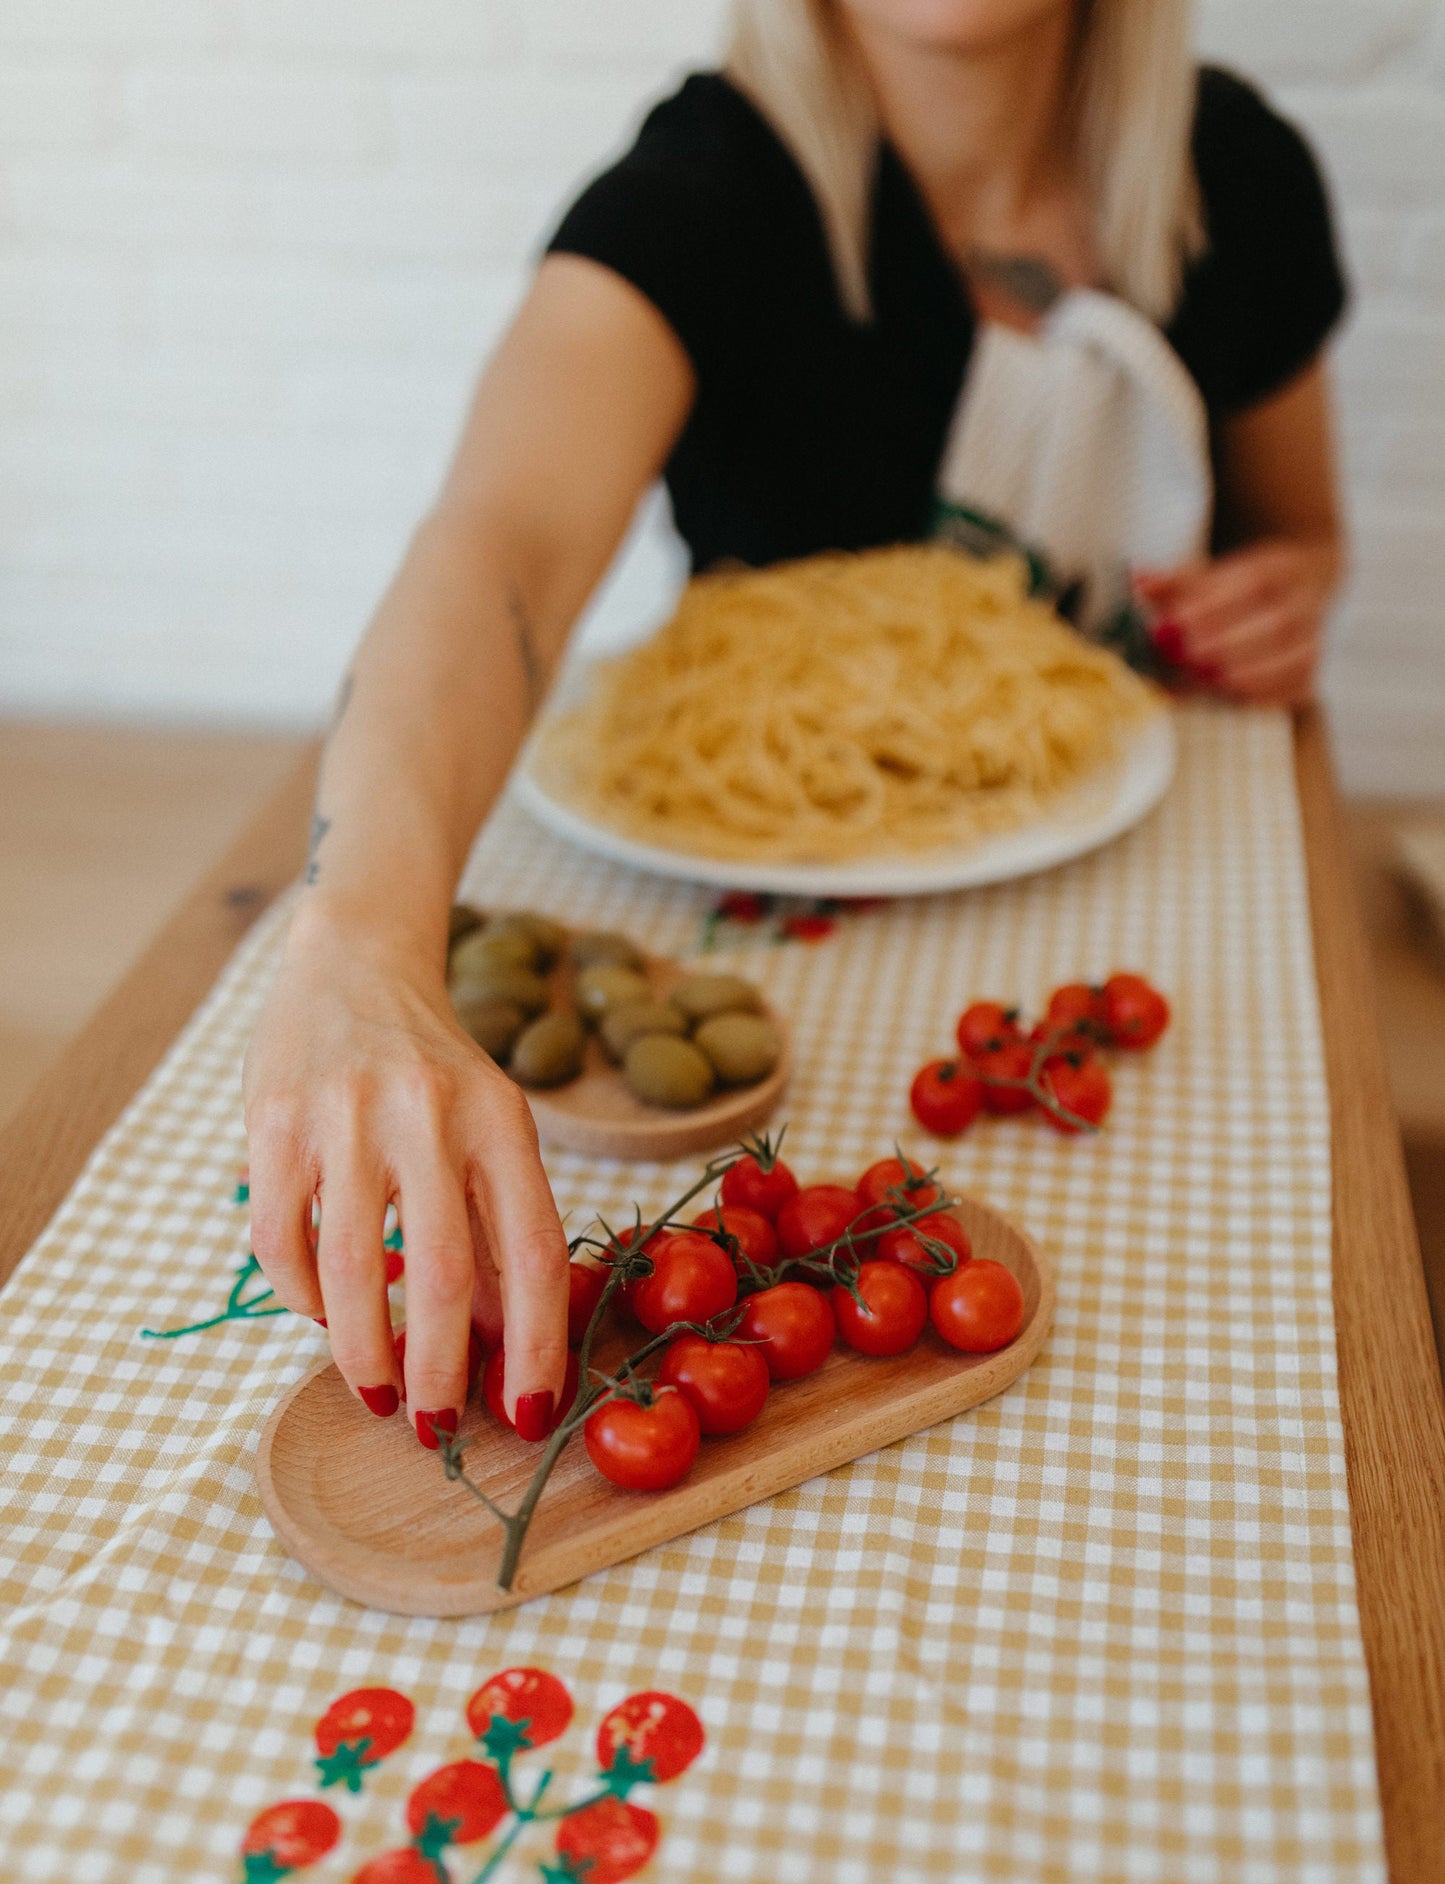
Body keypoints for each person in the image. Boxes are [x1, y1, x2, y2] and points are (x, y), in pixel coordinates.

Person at [244, 0, 1346, 1450]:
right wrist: (363, 936)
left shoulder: (1234, 174)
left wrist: (1292, 584)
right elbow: (496, 547)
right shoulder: (703, 190)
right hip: (756, 931)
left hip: (1152, 899)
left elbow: (1297, 528)